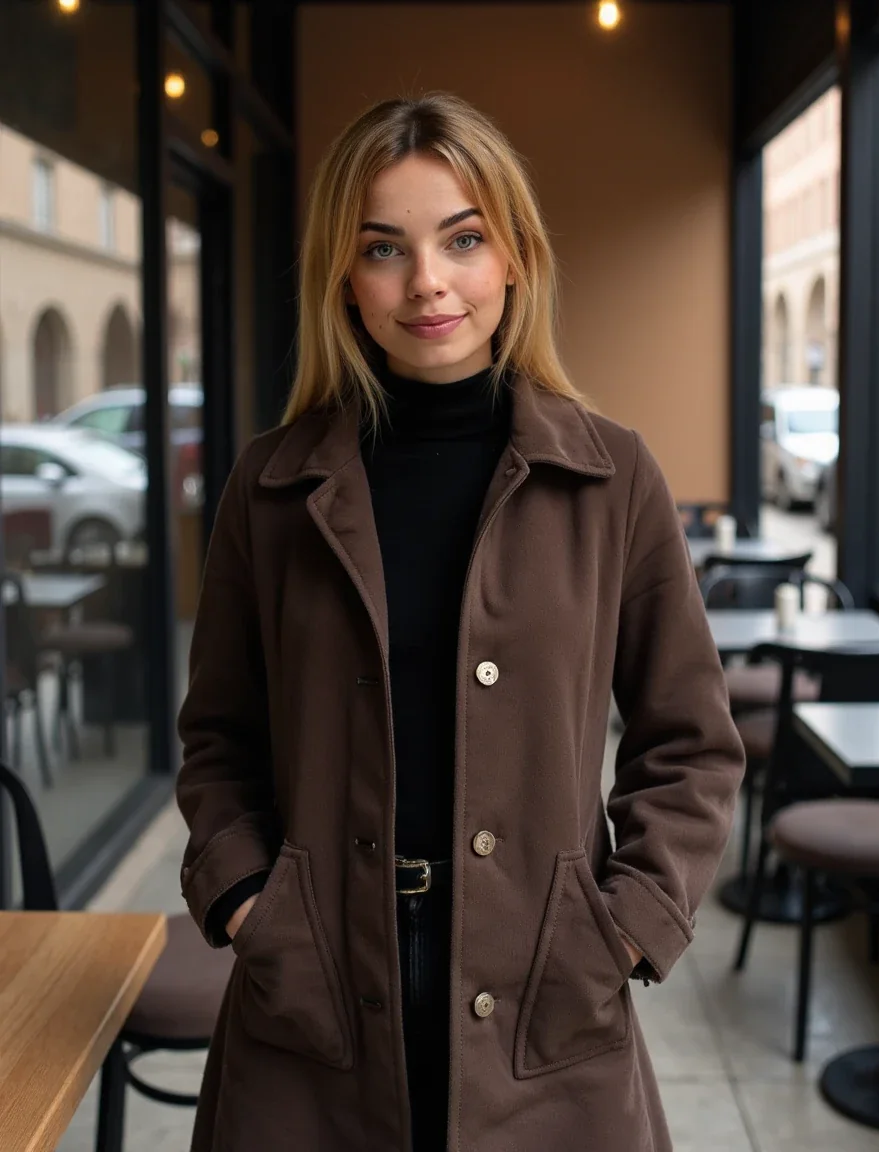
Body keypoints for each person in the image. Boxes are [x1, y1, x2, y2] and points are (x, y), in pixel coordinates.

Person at [176, 91, 746, 1152]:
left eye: (464, 239)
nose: (427, 282)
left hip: (546, 995)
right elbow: (217, 737)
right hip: (317, 988)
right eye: (383, 248)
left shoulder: (611, 476)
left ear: (515, 257)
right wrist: (250, 902)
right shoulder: (272, 486)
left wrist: (623, 929)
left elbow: (691, 744)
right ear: (343, 279)